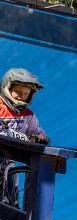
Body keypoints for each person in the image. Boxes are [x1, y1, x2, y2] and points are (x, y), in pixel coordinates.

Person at [0, 68, 49, 205]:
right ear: (7, 88)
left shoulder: (28, 115)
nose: (22, 96)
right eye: (18, 92)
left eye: (26, 93)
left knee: (11, 174)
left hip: (10, 155)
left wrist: (41, 136)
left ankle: (12, 202)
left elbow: (35, 131)